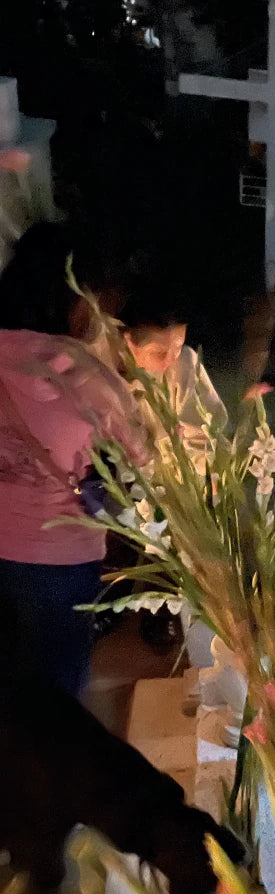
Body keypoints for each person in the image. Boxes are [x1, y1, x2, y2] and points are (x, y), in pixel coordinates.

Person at [0, 223, 145, 696]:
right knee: (57, 694)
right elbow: (141, 457)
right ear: (78, 299)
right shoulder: (83, 374)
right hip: (59, 559)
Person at [119, 290, 226, 467]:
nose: (170, 360)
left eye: (178, 346)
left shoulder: (183, 364)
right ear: (129, 341)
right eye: (158, 352)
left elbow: (206, 437)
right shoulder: (109, 379)